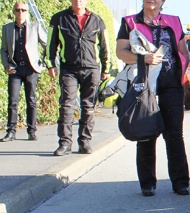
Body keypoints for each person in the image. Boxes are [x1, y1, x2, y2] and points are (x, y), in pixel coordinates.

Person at [116, 0, 190, 197]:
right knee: (146, 133)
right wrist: (143, 59)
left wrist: (180, 74)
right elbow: (121, 51)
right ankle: (147, 183)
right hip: (144, 85)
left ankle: (181, 182)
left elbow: (183, 52)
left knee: (174, 133)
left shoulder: (174, 21)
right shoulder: (129, 21)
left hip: (172, 84)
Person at [48, 0, 111, 156]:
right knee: (66, 105)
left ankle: (85, 142)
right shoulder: (59, 19)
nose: (79, 1)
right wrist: (50, 64)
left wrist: (106, 68)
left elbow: (105, 46)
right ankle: (64, 143)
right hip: (69, 68)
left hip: (92, 69)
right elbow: (51, 44)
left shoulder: (97, 20)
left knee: (88, 107)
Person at [1, 2, 46, 142]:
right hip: (15, 68)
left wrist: (44, 63)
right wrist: (6, 64)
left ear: (27, 12)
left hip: (31, 68)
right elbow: (3, 50)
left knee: (31, 100)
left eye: (23, 10)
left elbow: (47, 44)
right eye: (18, 10)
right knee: (12, 101)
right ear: (14, 12)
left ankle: (32, 131)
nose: (20, 12)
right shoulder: (7, 28)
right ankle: (11, 132)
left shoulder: (35, 26)